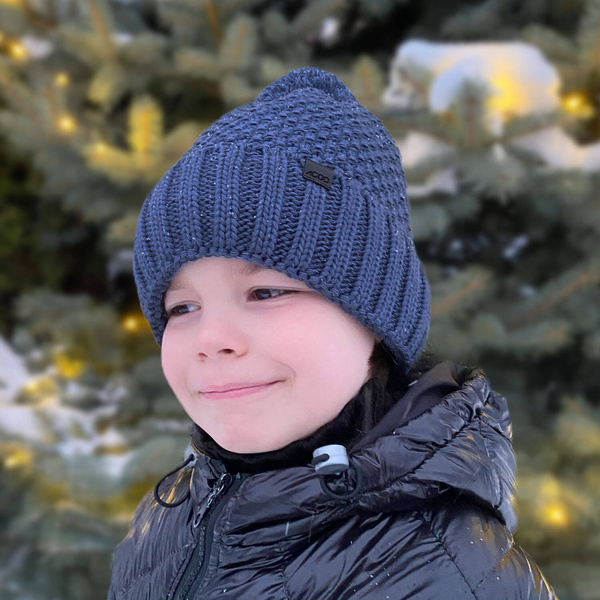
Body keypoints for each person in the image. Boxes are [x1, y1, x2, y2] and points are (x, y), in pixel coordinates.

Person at [108, 67, 556, 599]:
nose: (211, 337)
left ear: (373, 319)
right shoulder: (168, 520)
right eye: (182, 307)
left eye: (266, 293)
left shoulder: (441, 573)